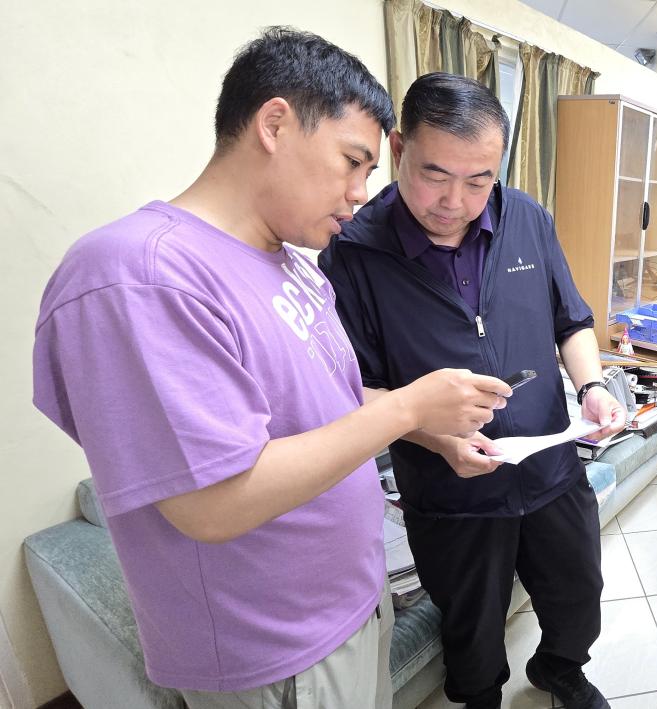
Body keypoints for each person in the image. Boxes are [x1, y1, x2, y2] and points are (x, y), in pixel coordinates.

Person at [32, 29, 511, 709]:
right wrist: (407, 407)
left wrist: (433, 431)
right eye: (352, 161)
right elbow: (213, 501)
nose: (360, 192)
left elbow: (327, 398)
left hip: (348, 601)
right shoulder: (139, 274)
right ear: (275, 124)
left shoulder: (292, 264)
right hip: (275, 646)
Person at [318, 72, 625, 709]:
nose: (454, 202)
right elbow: (358, 391)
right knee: (472, 630)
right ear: (398, 149)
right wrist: (439, 442)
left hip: (550, 467)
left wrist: (592, 385)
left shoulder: (526, 219)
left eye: (479, 180)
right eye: (434, 175)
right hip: (449, 490)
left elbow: (570, 320)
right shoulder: (353, 252)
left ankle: (559, 668)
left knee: (579, 596)